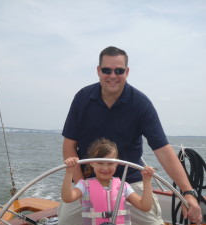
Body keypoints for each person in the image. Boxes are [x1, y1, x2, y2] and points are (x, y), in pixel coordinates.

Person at [58, 46, 202, 225]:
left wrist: (188, 193)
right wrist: (84, 189)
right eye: (106, 70)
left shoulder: (140, 104)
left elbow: (163, 151)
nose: (112, 76)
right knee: (64, 221)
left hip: (130, 183)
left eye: (119, 70)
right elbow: (69, 146)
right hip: (87, 181)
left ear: (127, 72)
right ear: (98, 71)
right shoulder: (82, 98)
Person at [61, 138, 155, 225]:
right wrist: (69, 172)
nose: (105, 168)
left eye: (110, 163)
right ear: (92, 163)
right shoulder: (84, 186)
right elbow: (67, 198)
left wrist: (147, 180)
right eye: (100, 163)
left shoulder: (124, 187)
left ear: (117, 163)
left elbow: (145, 206)